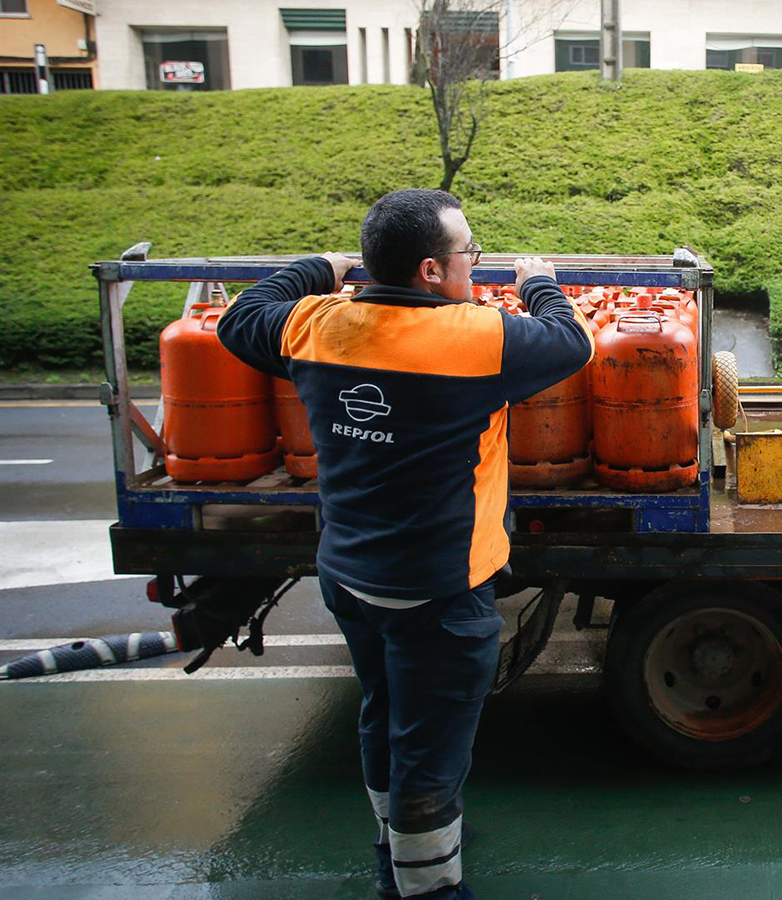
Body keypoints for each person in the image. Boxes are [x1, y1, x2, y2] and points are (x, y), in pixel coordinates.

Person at [217, 188, 593, 899]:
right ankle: (426, 887)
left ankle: (396, 846)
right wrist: (539, 281)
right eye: (469, 254)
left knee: (383, 714)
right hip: (439, 591)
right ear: (430, 271)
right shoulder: (477, 338)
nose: (475, 265)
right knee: (430, 754)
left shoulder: (318, 325)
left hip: (351, 577)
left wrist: (314, 267)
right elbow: (573, 341)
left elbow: (240, 319)